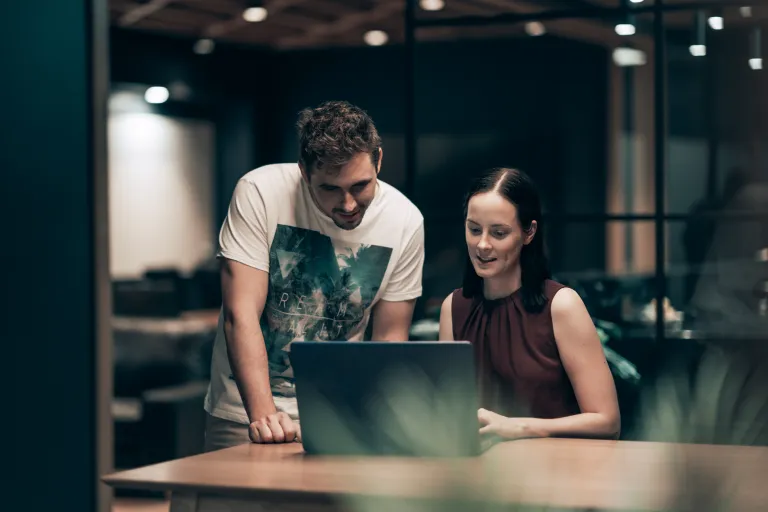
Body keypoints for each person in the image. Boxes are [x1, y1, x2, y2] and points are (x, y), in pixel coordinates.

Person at [203, 101, 425, 451]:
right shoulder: (260, 191)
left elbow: (389, 339)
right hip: (243, 413)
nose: (349, 204)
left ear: (379, 161)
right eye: (331, 189)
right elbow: (240, 315)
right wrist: (264, 417)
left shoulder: (405, 221)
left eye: (361, 186)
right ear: (304, 172)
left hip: (340, 419)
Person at [438, 167, 620, 441]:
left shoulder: (561, 305)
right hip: (478, 476)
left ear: (529, 232)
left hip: (559, 469)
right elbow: (448, 414)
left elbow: (607, 422)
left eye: (499, 233)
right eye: (474, 229)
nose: (483, 245)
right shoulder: (453, 308)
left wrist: (519, 427)